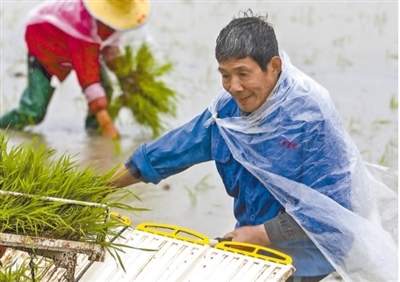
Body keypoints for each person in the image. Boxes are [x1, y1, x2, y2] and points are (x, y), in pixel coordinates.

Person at [109, 12, 397, 282]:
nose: (234, 86)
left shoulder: (310, 118)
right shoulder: (227, 115)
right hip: (255, 250)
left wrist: (262, 234)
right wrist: (98, 189)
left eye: (243, 73)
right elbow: (170, 151)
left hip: (311, 261)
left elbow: (334, 212)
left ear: (274, 67)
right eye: (225, 74)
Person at [0, 0, 150, 139]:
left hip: (80, 45)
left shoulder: (112, 22)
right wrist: (106, 123)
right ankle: (3, 127)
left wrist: (128, 79)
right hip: (45, 42)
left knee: (106, 89)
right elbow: (88, 77)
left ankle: (94, 133)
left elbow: (110, 49)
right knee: (33, 111)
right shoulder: (82, 23)